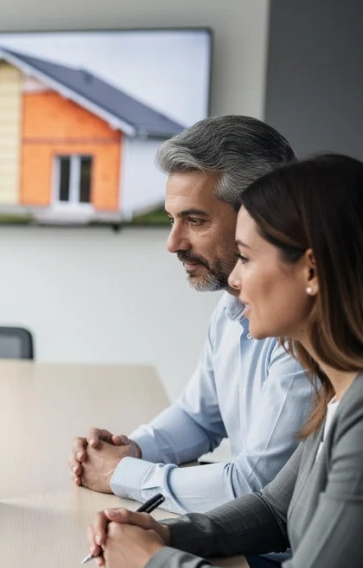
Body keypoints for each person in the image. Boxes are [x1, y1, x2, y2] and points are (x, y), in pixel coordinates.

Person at [86, 154, 363, 568]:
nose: (234, 282)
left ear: (311, 270)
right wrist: (166, 533)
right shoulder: (338, 390)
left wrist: (155, 566)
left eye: (246, 258)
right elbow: (274, 508)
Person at [69, 116, 313, 515]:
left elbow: (254, 486)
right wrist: (132, 449)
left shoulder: (308, 331)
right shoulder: (231, 306)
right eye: (172, 219)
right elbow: (199, 418)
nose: (173, 243)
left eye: (195, 221)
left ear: (261, 217)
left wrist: (122, 474)